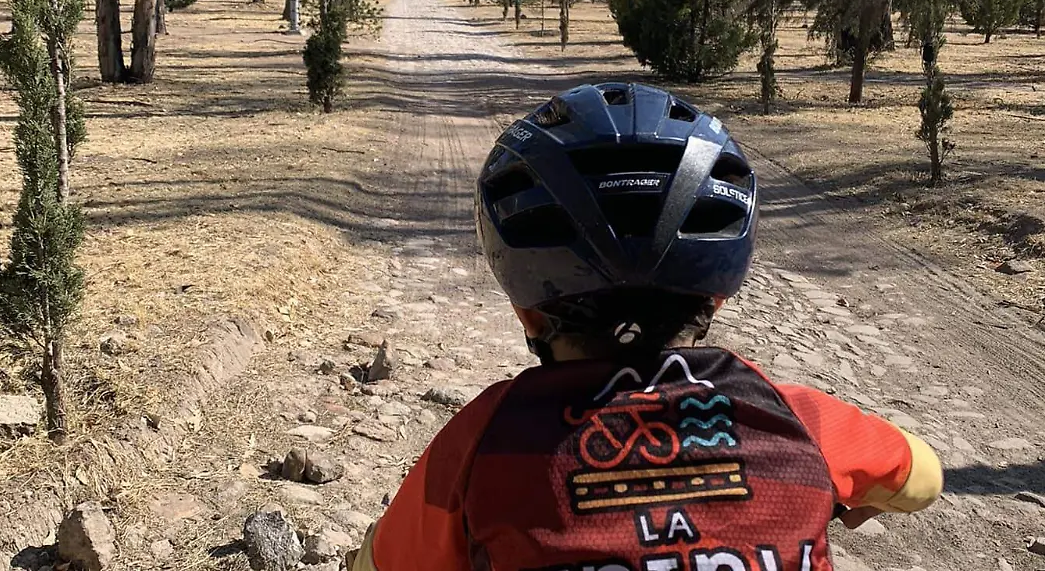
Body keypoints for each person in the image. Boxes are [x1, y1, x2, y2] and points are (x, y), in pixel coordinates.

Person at [348, 83, 942, 571]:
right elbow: (923, 475)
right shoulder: (799, 421)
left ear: (526, 310)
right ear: (715, 296)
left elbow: (380, 565)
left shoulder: (483, 441)